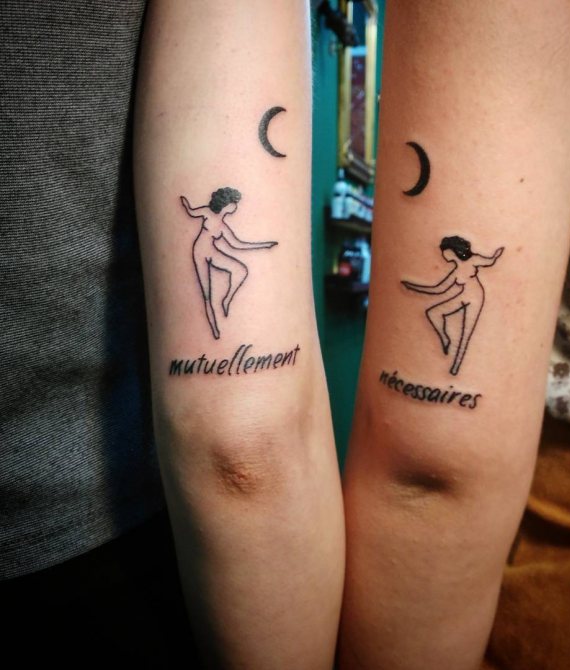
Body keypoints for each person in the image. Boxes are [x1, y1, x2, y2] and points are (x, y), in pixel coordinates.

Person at [1, 1, 345, 668]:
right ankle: (217, 316)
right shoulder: (213, 219)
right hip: (104, 546)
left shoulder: (221, 219)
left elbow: (234, 238)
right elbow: (243, 446)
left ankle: (219, 313)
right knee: (222, 288)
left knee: (231, 282)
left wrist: (258, 244)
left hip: (70, 540)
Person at [337, 1, 570, 669]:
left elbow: (427, 474)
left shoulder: (468, 269)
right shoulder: (464, 266)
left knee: (450, 330)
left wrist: (431, 294)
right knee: (447, 328)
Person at [181, 188, 277, 339]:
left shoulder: (223, 227)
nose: (235, 206)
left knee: (241, 270)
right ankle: (214, 329)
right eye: (233, 203)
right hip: (199, 252)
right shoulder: (207, 212)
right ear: (225, 204)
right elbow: (192, 212)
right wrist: (185, 204)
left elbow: (238, 245)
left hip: (212, 251)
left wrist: (264, 245)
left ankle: (226, 299)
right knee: (206, 295)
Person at [402, 236, 504, 375]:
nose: (443, 254)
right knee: (433, 313)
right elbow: (438, 289)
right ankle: (445, 338)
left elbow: (489, 261)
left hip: (475, 296)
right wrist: (413, 287)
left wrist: (496, 255)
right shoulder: (455, 272)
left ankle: (456, 367)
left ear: (453, 251)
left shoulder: (473, 260)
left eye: (445, 251)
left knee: (466, 334)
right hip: (463, 295)